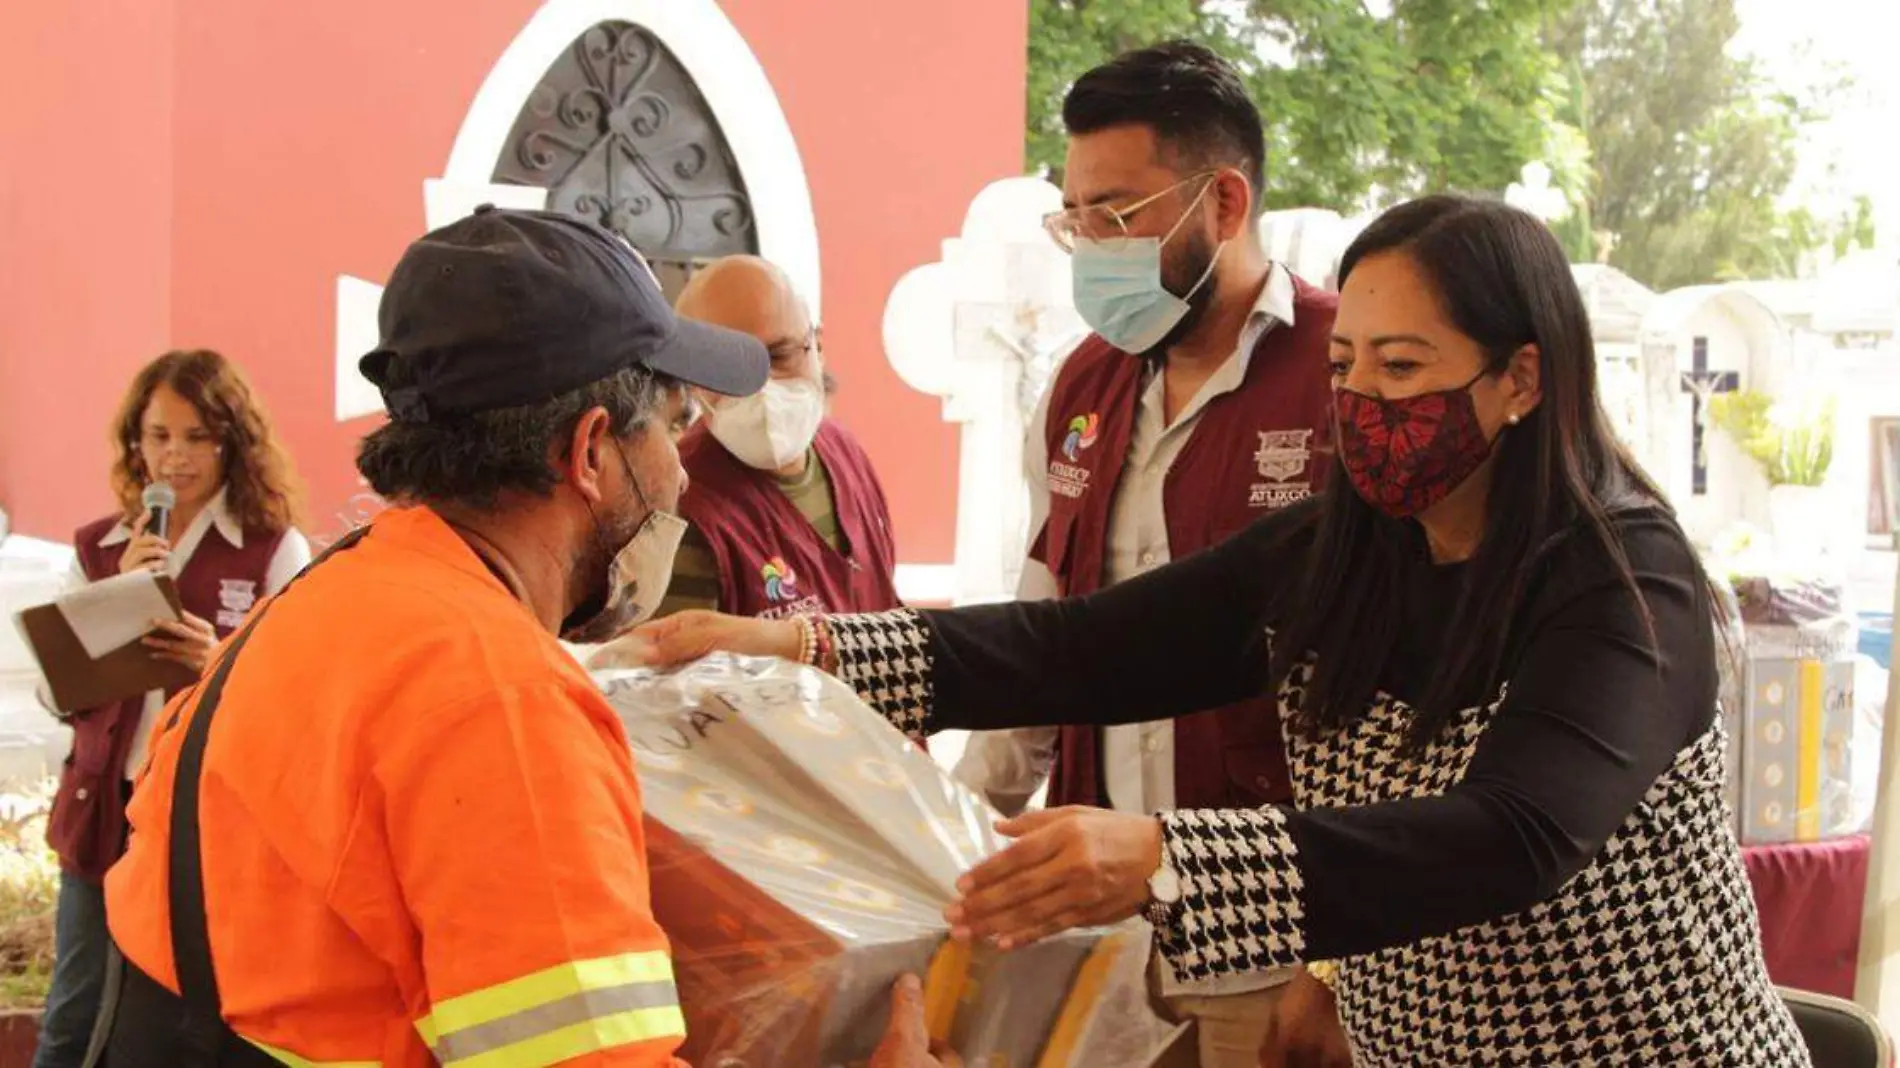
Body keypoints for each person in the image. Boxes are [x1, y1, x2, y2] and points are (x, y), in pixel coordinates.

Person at [612, 196, 1813, 1067]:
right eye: (1345, 366)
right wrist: (815, 652)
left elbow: (1510, 837)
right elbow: (1082, 646)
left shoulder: (1622, 584)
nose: (1363, 405)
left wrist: (1162, 855)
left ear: (1521, 379)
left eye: (1405, 367)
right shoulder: (1343, 552)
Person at [89, 208, 951, 1067]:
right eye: (672, 424)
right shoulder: (504, 707)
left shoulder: (328, 597)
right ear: (589, 451)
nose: (683, 472)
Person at [949, 40, 1340, 1065]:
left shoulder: (1348, 375)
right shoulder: (1082, 386)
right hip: (1096, 934)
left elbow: (1396, 692)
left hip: (1278, 943)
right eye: (1073, 217)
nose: (1088, 247)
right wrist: (949, 832)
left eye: (1116, 216)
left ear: (1222, 202)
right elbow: (1043, 635)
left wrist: (1343, 960)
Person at [32, 349, 310, 1068]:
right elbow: (53, 693)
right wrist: (104, 607)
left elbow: (299, 694)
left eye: (197, 437)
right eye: (158, 436)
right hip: (106, 808)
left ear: (233, 442)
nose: (175, 458)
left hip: (206, 816)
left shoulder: (273, 549)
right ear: (135, 442)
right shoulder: (100, 547)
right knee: (74, 1014)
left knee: (193, 1017)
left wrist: (213, 660)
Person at [653, 255, 901, 622]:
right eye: (729, 367)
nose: (761, 390)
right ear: (693, 379)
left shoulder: (847, 456)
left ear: (817, 346)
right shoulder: (681, 505)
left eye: (780, 356)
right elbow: (678, 673)